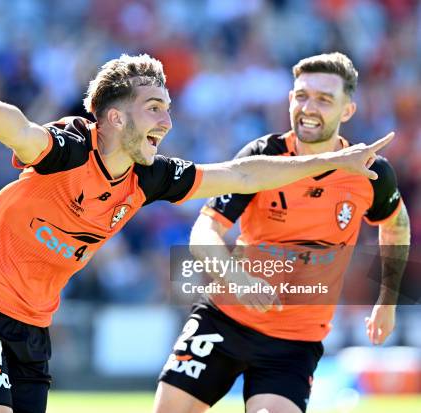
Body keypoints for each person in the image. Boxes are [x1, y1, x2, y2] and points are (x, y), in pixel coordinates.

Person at [0, 51, 394, 413]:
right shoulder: (69, 149)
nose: (167, 122)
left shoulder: (149, 177)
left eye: (168, 109)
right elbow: (20, 130)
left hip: (34, 326)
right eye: (154, 108)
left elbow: (243, 175)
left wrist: (330, 161)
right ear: (115, 118)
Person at [155, 52, 411, 413]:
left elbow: (397, 223)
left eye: (324, 99)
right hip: (225, 320)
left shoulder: (370, 172)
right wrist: (236, 277)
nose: (309, 107)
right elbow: (204, 230)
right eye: (302, 95)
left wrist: (388, 300)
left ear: (348, 110)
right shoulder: (264, 157)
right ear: (290, 99)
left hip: (293, 344)